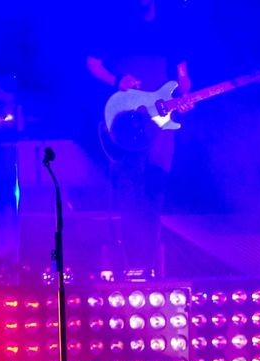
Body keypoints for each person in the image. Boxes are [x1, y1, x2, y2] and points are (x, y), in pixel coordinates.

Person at [86, 0, 191, 277]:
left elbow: (183, 77)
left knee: (156, 186)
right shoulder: (116, 23)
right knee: (130, 187)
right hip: (127, 121)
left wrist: (184, 97)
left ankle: (150, 262)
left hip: (160, 122)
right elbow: (93, 64)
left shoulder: (170, 28)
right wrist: (116, 80)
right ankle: (131, 262)